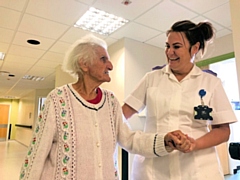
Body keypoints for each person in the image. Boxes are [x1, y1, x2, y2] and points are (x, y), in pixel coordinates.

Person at [19, 34, 186, 180]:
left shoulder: (111, 101)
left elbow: (130, 139)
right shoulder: (57, 99)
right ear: (84, 64)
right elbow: (36, 154)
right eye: (103, 59)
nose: (110, 65)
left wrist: (164, 141)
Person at [122, 20, 238, 180]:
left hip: (197, 170)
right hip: (152, 170)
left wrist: (194, 144)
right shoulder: (151, 79)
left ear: (195, 48)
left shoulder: (211, 83)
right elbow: (121, 115)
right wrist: (134, 140)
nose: (169, 52)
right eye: (167, 46)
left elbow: (223, 131)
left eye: (176, 47)